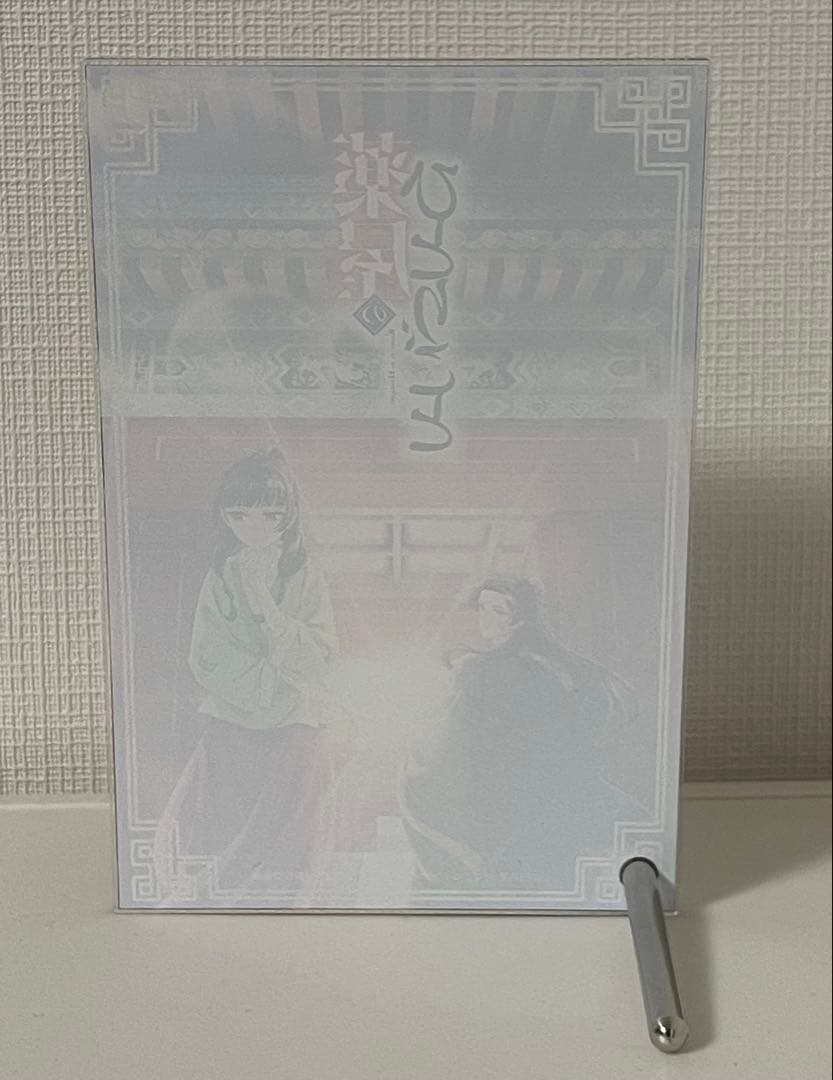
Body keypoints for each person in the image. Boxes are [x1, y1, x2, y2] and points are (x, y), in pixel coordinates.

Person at [153, 446, 344, 902]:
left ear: (288, 516)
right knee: (206, 824)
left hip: (295, 725)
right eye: (240, 515)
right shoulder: (220, 576)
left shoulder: (306, 574)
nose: (254, 527)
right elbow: (206, 657)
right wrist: (269, 675)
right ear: (225, 517)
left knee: (286, 834)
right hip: (231, 722)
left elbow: (318, 658)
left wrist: (262, 602)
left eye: (270, 515)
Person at [400, 575, 638, 894]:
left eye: (498, 611)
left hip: (527, 791)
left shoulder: (496, 669)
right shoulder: (514, 666)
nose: (485, 618)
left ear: (521, 619)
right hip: (527, 791)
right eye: (482, 607)